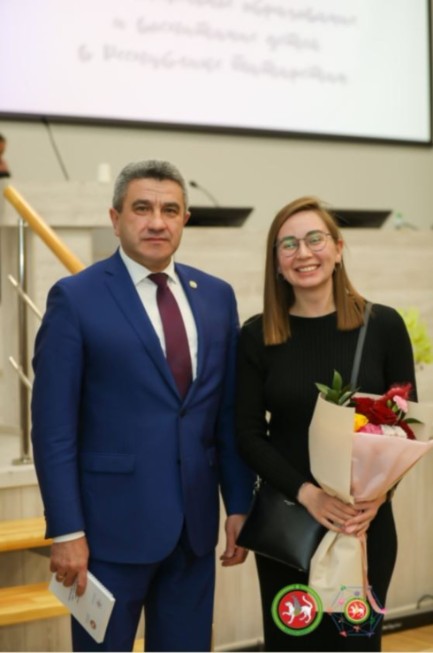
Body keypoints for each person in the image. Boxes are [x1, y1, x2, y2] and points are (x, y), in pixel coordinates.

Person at [31, 160, 254, 652]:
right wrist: (66, 530)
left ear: (185, 220)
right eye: (142, 208)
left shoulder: (216, 297)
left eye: (170, 210)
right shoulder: (75, 298)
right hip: (106, 537)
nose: (157, 222)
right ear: (115, 219)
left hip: (194, 533)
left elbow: (226, 413)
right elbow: (53, 429)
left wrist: (239, 502)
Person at [235, 196, 417, 652]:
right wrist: (307, 494)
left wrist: (379, 497)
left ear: (337, 248)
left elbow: (407, 428)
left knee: (355, 645)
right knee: (293, 645)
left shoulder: (384, 326)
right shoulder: (257, 335)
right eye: (288, 244)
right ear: (277, 263)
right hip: (289, 527)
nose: (304, 253)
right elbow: (248, 434)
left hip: (362, 527)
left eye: (315, 239)